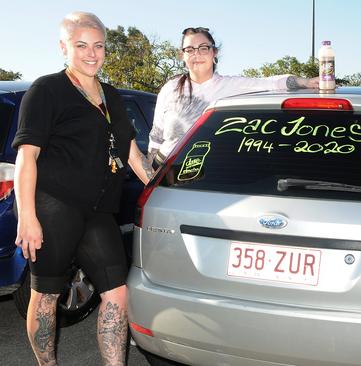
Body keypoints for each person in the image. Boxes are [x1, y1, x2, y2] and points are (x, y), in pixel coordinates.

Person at [12, 11, 154, 365]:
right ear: (64, 47)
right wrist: (27, 217)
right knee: (46, 296)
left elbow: (132, 153)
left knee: (117, 294)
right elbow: (26, 158)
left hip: (98, 209)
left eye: (99, 46)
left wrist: (161, 187)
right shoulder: (46, 90)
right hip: (52, 205)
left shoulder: (111, 96)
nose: (92, 53)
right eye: (81, 45)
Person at [148, 27, 319, 165]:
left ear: (214, 53)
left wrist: (305, 81)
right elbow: (156, 138)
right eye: (190, 49)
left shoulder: (230, 86)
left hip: (206, 172)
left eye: (203, 48)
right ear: (182, 55)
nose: (196, 54)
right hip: (165, 170)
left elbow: (271, 82)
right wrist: (150, 176)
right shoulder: (169, 89)